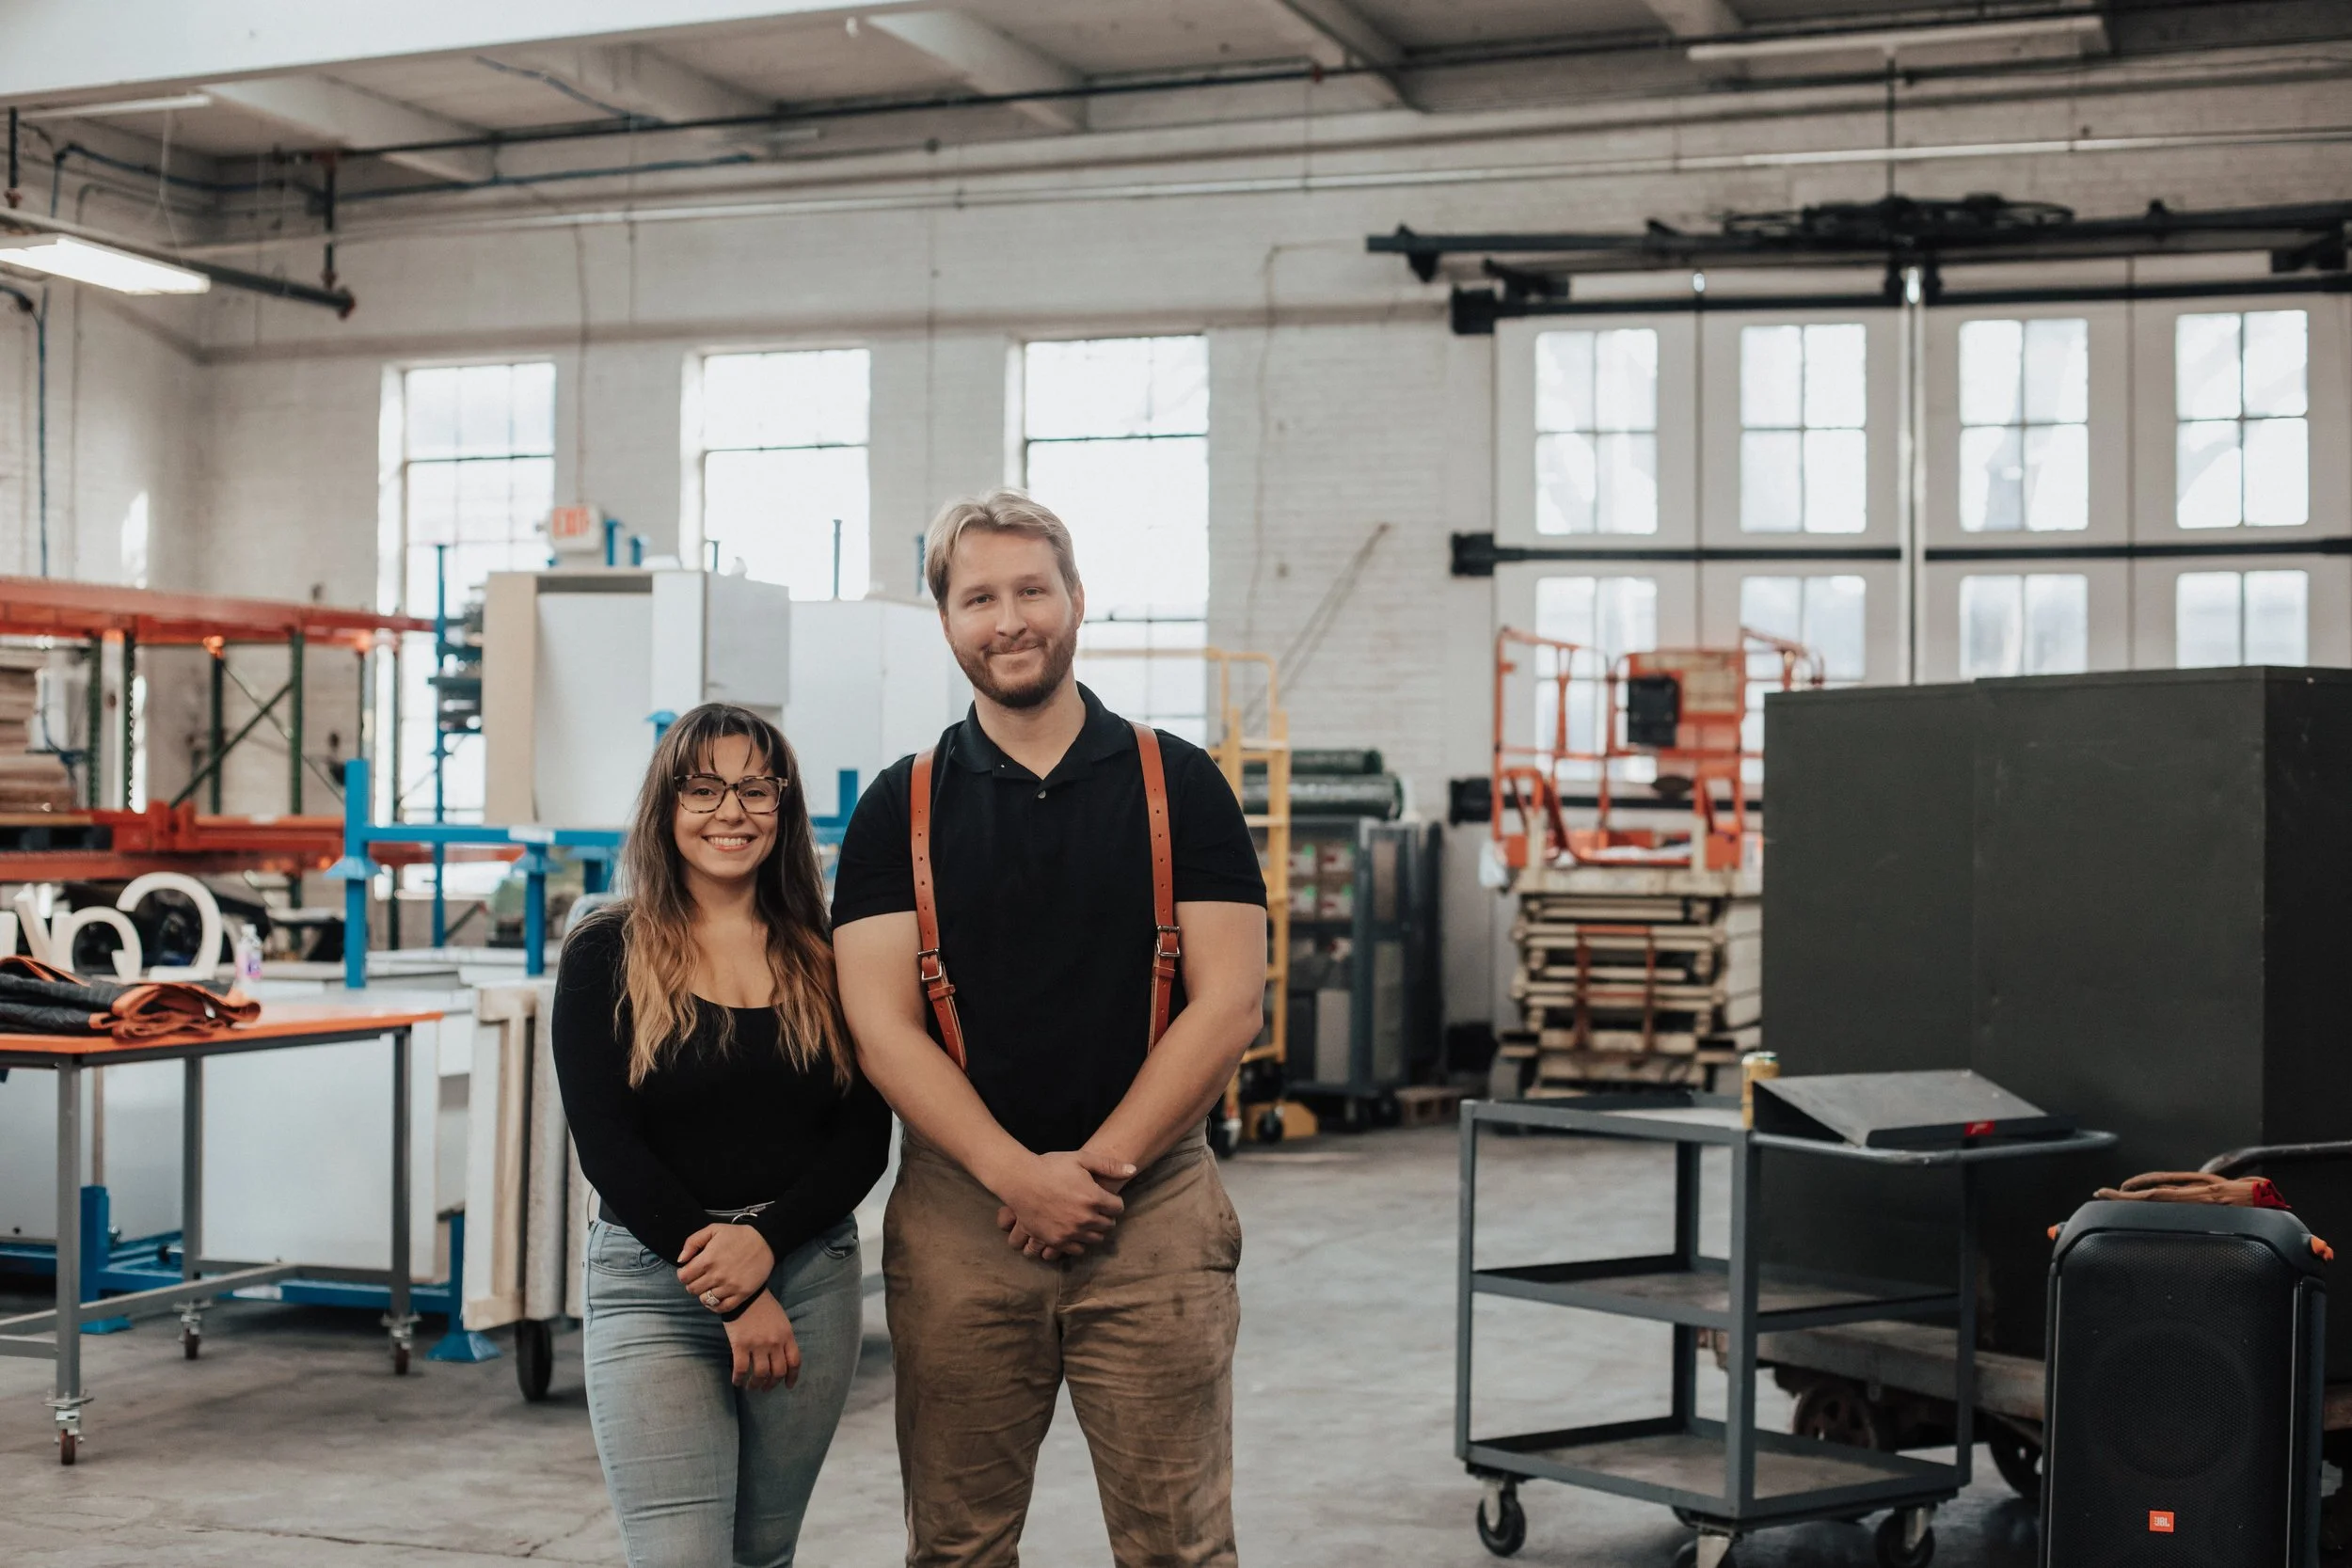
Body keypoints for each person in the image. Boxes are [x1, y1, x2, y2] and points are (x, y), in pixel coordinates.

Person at [833, 488, 1270, 1568]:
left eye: (1032, 588)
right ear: (946, 621)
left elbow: (1229, 999)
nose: (1009, 618)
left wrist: (1098, 1165)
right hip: (958, 1216)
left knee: (1180, 1548)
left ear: (1076, 599)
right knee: (957, 1547)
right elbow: (880, 1024)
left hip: (1154, 1210)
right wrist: (1010, 1174)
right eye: (978, 596)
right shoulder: (901, 805)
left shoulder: (1184, 783)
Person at [552, 702, 892, 1568]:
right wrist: (734, 1285)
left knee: (762, 1553)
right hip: (650, 1283)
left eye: (755, 789)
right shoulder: (605, 951)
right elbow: (606, 1142)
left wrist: (767, 1246)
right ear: (666, 806)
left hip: (809, 1276)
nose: (730, 812)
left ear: (784, 808)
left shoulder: (829, 953)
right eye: (703, 788)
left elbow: (863, 1138)